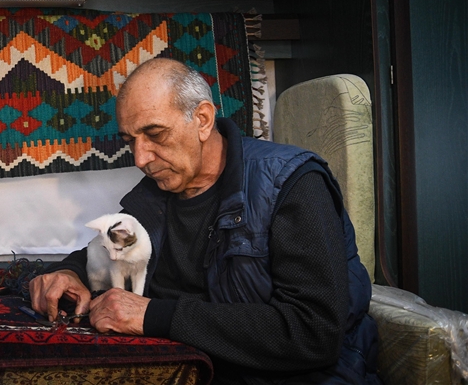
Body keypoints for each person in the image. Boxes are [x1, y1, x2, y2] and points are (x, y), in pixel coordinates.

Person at [29, 58, 381, 384]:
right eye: (130, 140)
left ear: (202, 120)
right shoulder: (154, 195)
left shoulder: (293, 184)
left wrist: (155, 316)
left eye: (155, 134)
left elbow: (313, 332)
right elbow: (103, 255)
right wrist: (68, 272)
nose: (140, 158)